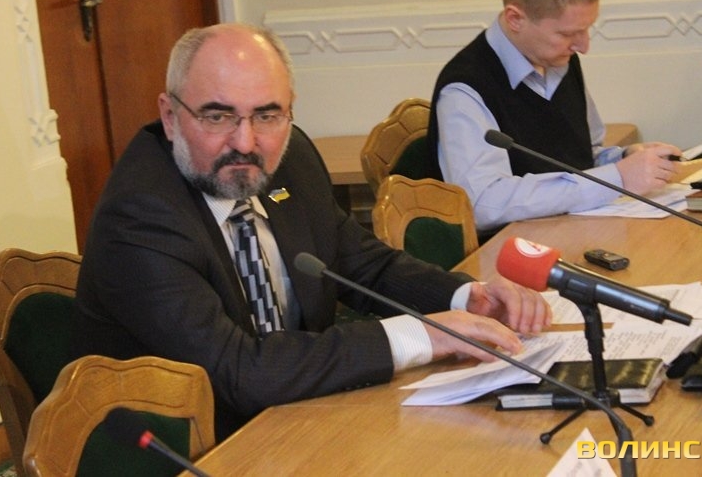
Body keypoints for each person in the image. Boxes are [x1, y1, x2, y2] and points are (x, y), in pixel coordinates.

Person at [72, 23, 551, 439]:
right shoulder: (139, 219)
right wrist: (424, 335)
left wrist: (467, 298)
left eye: (267, 115)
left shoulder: (291, 157)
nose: (245, 142)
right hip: (201, 446)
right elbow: (241, 372)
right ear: (170, 117)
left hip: (304, 414)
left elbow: (364, 263)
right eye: (217, 116)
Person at [429, 0, 682, 235]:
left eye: (586, 29)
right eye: (567, 34)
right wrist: (617, 178)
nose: (583, 46)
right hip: (508, 252)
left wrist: (625, 159)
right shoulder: (464, 89)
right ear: (515, 19)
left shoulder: (559, 59)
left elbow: (582, 157)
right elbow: (483, 204)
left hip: (572, 233)